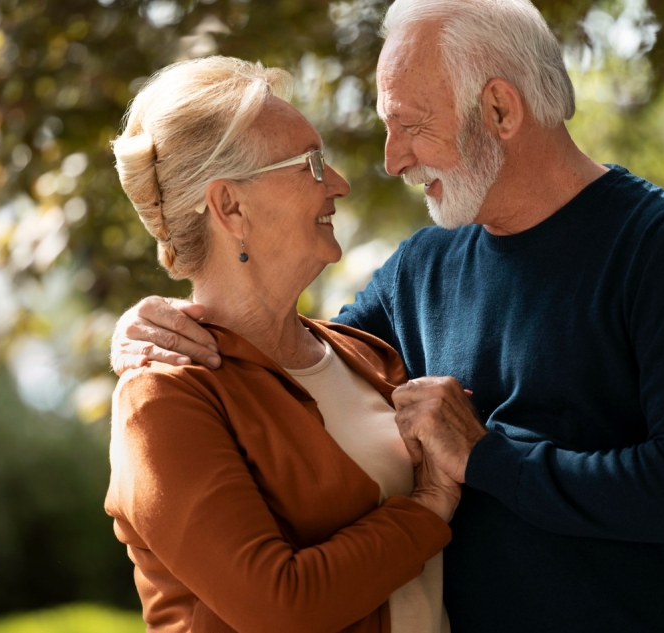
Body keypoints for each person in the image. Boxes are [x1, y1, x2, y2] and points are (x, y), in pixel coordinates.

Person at [111, 0, 664, 630]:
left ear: (499, 108)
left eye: (410, 124)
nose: (390, 161)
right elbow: (286, 365)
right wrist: (147, 325)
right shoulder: (421, 269)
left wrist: (488, 459)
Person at [105, 56, 460, 632]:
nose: (339, 184)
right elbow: (281, 609)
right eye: (311, 165)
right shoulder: (163, 401)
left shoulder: (365, 354)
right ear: (229, 206)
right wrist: (432, 503)